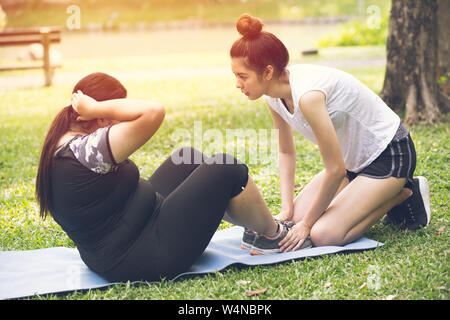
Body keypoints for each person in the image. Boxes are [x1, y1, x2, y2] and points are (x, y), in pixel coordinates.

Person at [35, 72, 311, 283]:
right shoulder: (87, 149)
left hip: (131, 232)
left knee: (186, 156)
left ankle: (253, 226)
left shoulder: (63, 141)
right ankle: (272, 235)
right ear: (101, 119)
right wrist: (97, 108)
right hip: (141, 256)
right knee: (227, 167)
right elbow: (153, 111)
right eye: (114, 113)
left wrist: (96, 110)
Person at [230, 14, 431, 252]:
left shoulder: (308, 96)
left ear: (268, 72)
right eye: (235, 75)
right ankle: (372, 192)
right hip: (352, 165)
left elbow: (334, 170)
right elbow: (286, 152)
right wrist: (288, 210)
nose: (237, 84)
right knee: (292, 221)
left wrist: (306, 224)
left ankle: (404, 192)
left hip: (389, 156)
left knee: (323, 234)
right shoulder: (273, 98)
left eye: (243, 76)